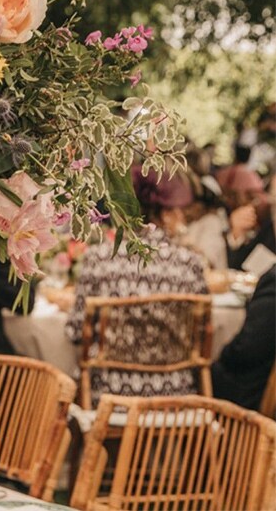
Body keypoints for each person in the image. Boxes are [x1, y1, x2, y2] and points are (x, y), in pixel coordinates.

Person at [66, 167, 208, 406]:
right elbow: (200, 334)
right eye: (178, 211)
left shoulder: (99, 259)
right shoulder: (189, 264)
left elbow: (76, 331)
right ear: (165, 215)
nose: (182, 218)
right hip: (175, 395)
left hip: (110, 398)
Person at [212, 265, 275, 410]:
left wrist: (223, 354)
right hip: (257, 379)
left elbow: (247, 348)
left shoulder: (273, 280)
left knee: (196, 375)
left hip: (252, 392)